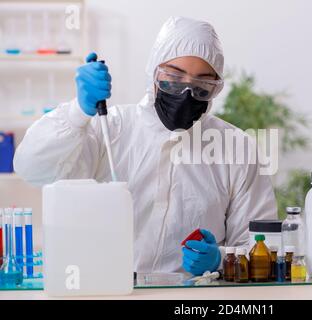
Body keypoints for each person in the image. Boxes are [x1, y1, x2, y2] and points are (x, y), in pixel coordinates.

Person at [14, 16, 277, 275]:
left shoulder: (235, 148)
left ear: (215, 89)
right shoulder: (111, 128)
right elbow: (32, 169)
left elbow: (262, 246)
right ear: (154, 71)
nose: (186, 93)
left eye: (202, 85)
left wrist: (220, 260)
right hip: (106, 291)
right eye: (173, 77)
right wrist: (77, 112)